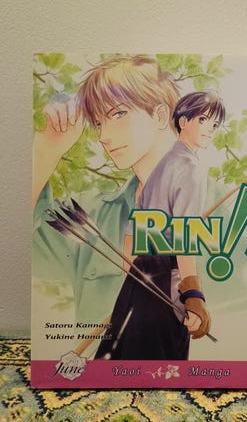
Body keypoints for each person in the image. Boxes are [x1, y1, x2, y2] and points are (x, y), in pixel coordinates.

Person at [33, 55, 188, 335]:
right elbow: (23, 249)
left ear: (160, 116)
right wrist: (45, 152)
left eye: (118, 114)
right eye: (98, 123)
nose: (103, 136)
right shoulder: (90, 214)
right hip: (101, 363)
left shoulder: (227, 206)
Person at [95, 91, 225, 360]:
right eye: (203, 120)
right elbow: (183, 238)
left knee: (122, 359)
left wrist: (136, 285)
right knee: (163, 367)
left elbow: (131, 239)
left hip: (138, 279)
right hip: (166, 280)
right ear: (183, 121)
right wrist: (192, 294)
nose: (211, 129)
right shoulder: (190, 167)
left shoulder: (161, 166)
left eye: (215, 124)